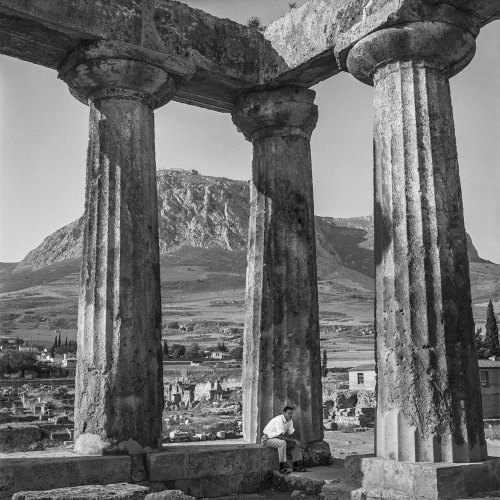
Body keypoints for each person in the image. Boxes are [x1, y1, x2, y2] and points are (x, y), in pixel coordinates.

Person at [262, 406, 307, 474]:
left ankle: (296, 466)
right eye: (289, 413)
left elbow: (291, 432)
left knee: (295, 444)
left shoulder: (289, 420)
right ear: (284, 413)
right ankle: (281, 467)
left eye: (292, 413)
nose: (291, 415)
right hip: (267, 439)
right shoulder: (279, 419)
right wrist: (294, 440)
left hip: (276, 439)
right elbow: (280, 436)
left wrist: (297, 441)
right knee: (282, 443)